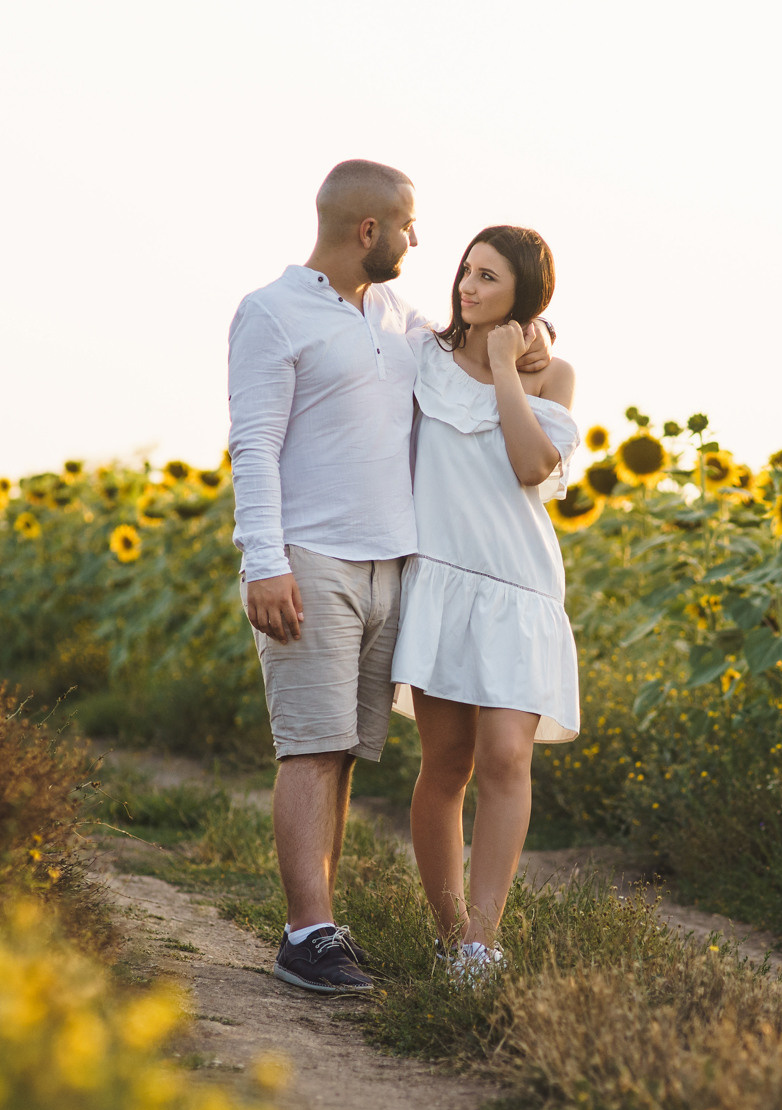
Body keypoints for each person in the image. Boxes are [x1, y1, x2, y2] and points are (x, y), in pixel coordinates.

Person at [226, 161, 551, 994]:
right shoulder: (271, 313)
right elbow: (254, 444)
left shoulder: (401, 319)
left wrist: (531, 341)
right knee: (309, 744)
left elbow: (479, 360)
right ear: (369, 231)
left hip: (396, 567)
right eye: (409, 225)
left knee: (343, 750)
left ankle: (323, 925)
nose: (419, 241)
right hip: (310, 556)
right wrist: (264, 562)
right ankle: (306, 933)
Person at [391, 226, 578, 979]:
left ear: (523, 296)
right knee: (446, 765)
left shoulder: (551, 372)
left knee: (507, 756)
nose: (467, 286)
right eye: (466, 270)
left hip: (519, 586)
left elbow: (535, 464)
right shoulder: (422, 359)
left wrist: (506, 367)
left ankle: (481, 937)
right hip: (441, 580)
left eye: (488, 278)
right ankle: (447, 932)